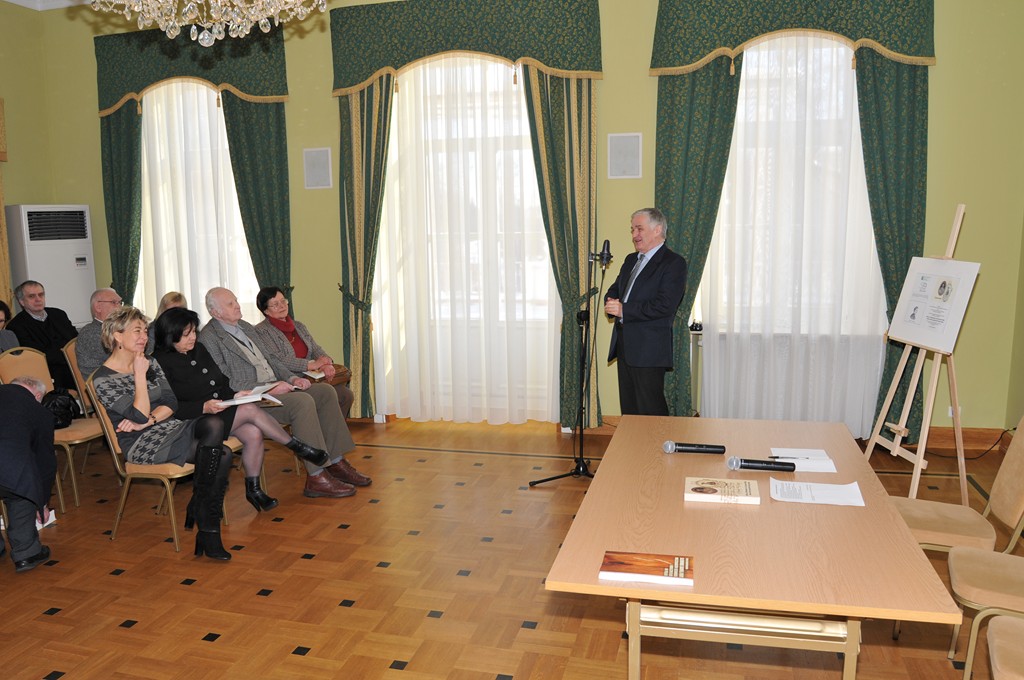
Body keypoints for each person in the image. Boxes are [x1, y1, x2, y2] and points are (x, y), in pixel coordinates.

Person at [152, 307, 335, 512]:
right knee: (248, 410)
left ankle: (254, 490)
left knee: (253, 432)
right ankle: (298, 447)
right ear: (170, 335)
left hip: (219, 410)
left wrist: (235, 395)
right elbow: (168, 405)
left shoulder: (199, 349)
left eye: (194, 331)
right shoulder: (158, 362)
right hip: (192, 421)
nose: (193, 337)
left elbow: (221, 381)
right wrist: (202, 407)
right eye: (186, 335)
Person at [91, 306, 234, 561]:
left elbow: (171, 402)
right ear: (117, 335)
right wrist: (139, 375)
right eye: (137, 331)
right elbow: (137, 414)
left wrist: (150, 420)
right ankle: (208, 529)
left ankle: (201, 509)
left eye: (145, 330)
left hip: (167, 426)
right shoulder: (103, 378)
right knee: (222, 454)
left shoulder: (151, 362)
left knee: (213, 424)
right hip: (140, 443)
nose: (144, 337)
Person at [199, 287, 370, 499]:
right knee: (302, 402)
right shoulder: (209, 338)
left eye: (236, 300)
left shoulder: (244, 326)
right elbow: (226, 380)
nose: (237, 305)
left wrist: (291, 378)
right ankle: (316, 476)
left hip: (275, 386)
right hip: (252, 398)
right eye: (230, 303)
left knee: (325, 391)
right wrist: (269, 387)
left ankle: (335, 461)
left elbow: (272, 359)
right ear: (215, 312)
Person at [604, 208, 687, 416]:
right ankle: (632, 439)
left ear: (657, 229)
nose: (634, 235)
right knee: (629, 410)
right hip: (625, 346)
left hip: (649, 349)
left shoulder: (673, 263)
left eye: (639, 229)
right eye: (632, 230)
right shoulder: (631, 260)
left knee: (651, 411)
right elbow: (615, 289)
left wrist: (624, 309)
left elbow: (665, 305)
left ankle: (657, 441)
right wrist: (611, 301)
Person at [253, 286, 355, 417]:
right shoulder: (262, 331)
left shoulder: (298, 326)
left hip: (312, 377)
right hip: (289, 381)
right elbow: (278, 360)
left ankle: (327, 429)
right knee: (327, 393)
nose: (282, 306)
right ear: (266, 310)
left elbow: (315, 348)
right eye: (275, 304)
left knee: (346, 395)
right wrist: (311, 365)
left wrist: (326, 363)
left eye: (283, 301)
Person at [0, 376, 57, 573]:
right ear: (38, 395)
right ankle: (26, 554)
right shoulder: (39, 411)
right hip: (9, 463)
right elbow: (45, 463)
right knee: (21, 490)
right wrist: (42, 503)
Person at [6, 281, 78, 389]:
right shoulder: (16, 325)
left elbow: (75, 342)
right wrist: (64, 351)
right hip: (46, 376)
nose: (38, 299)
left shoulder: (59, 314)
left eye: (41, 295)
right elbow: (36, 356)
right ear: (21, 302)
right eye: (31, 296)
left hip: (74, 368)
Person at [76, 288, 123, 379]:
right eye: (114, 302)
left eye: (120, 302)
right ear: (98, 307)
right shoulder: (90, 333)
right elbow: (121, 359)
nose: (120, 307)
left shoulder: (114, 329)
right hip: (105, 382)